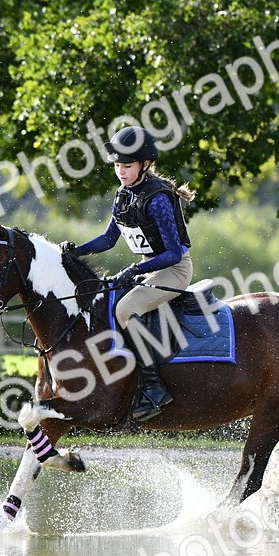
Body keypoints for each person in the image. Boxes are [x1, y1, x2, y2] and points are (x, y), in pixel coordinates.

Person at [65, 126, 194, 421]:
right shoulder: (123, 195)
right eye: (117, 166)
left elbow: (173, 253)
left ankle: (154, 387)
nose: (121, 172)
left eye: (127, 166)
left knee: (126, 309)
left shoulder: (158, 198)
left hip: (174, 270)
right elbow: (108, 239)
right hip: (150, 269)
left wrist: (134, 269)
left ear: (145, 165)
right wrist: (76, 251)